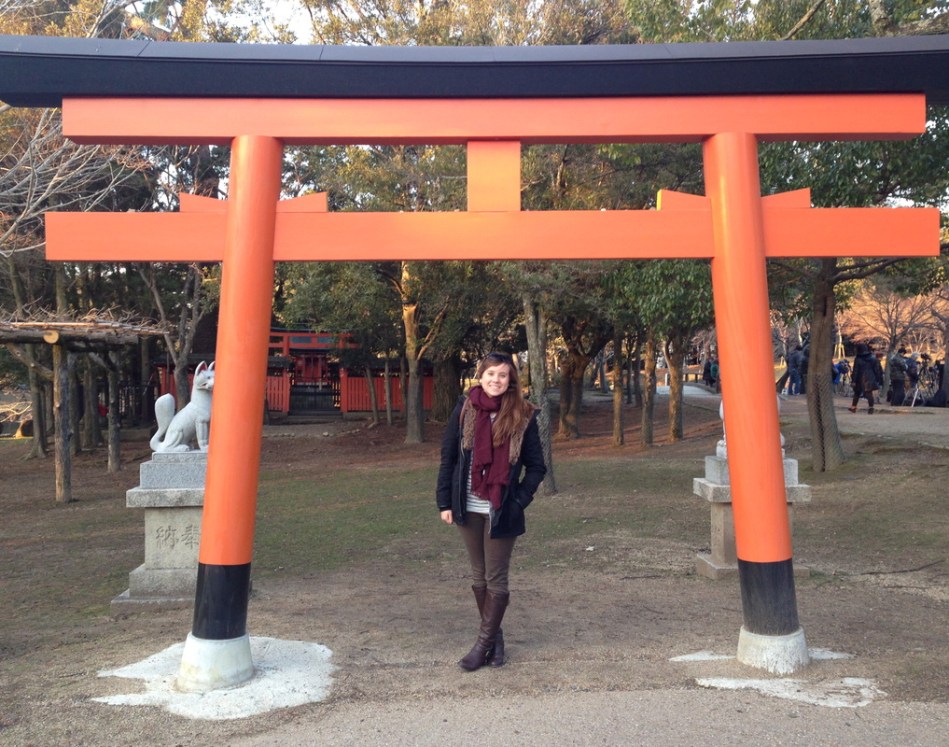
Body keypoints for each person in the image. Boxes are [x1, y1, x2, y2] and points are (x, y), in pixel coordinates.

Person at [436, 352, 547, 671]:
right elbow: (449, 459)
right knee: (479, 576)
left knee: (496, 577)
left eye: (502, 375)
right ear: (480, 375)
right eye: (490, 374)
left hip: (502, 509)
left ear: (511, 379)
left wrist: (518, 501)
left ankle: (482, 644)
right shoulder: (464, 409)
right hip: (467, 506)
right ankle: (496, 641)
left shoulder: (524, 414)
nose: (496, 380)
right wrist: (444, 502)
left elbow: (537, 467)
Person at [848, 343, 883, 414]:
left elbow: (856, 370)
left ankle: (853, 407)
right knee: (869, 393)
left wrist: (853, 380)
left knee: (857, 393)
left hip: (860, 377)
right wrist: (878, 378)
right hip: (871, 377)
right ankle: (871, 407)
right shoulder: (873, 358)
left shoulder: (858, 359)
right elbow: (877, 370)